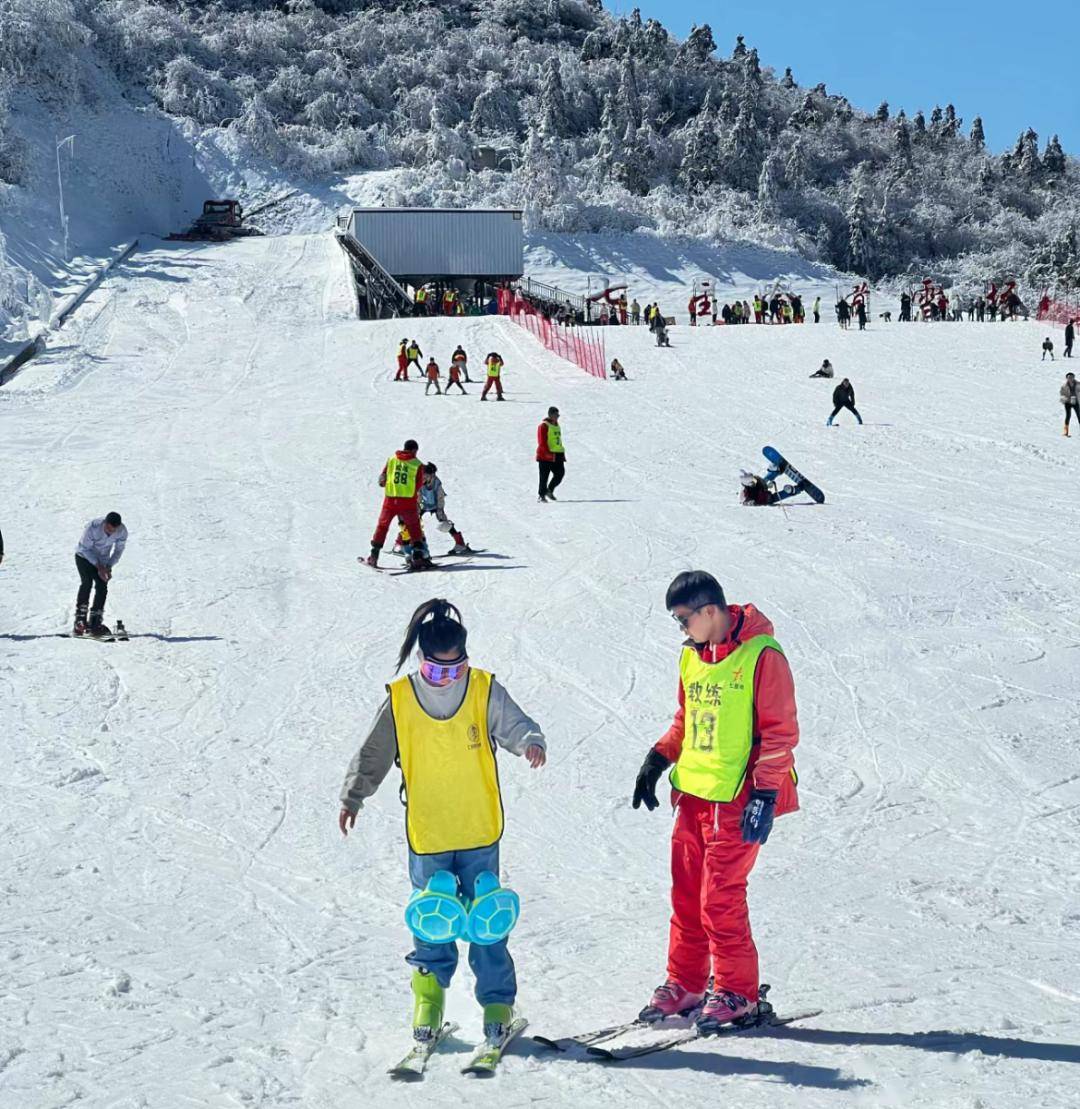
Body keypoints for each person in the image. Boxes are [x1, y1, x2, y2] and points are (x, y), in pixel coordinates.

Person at [338, 599, 546, 1049]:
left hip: (478, 831)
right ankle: (427, 1011)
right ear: (421, 662)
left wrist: (530, 741)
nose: (448, 680)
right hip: (430, 835)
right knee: (433, 922)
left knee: (487, 922)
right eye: (438, 673)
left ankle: (496, 1009)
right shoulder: (400, 699)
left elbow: (514, 724)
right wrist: (353, 795)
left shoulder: (483, 689)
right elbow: (373, 755)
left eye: (457, 670)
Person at [631, 571, 799, 1034]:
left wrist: (765, 793)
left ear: (709, 611)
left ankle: (736, 992)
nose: (681, 629)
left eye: (683, 619)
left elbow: (780, 733)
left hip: (740, 799)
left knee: (719, 899)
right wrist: (657, 759)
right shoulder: (692, 658)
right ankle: (685, 983)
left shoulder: (763, 656)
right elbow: (688, 720)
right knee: (686, 896)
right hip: (694, 795)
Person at [365, 440, 430, 570]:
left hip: (390, 500)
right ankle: (417, 558)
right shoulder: (417, 465)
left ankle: (373, 556)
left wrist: (385, 482)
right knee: (414, 527)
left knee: (382, 526)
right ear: (413, 450)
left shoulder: (392, 460)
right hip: (407, 501)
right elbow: (418, 485)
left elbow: (383, 478)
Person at [398, 463, 472, 555]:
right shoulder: (419, 483)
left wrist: (439, 509)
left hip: (436, 505)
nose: (423, 478)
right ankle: (400, 543)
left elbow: (440, 497)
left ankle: (460, 543)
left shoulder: (437, 483)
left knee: (445, 523)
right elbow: (418, 496)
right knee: (411, 522)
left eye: (425, 476)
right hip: (423, 505)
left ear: (432, 475)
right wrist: (417, 507)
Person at [74, 512, 128, 637]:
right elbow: (84, 548)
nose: (111, 532)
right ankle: (80, 621)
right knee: (86, 582)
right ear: (105, 523)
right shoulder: (93, 527)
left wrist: (108, 567)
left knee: (102, 587)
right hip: (84, 557)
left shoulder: (122, 531)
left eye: (114, 530)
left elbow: (119, 550)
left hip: (103, 561)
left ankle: (95, 622)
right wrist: (99, 567)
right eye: (108, 528)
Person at [536, 406, 566, 502]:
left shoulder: (556, 425)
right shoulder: (544, 426)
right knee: (544, 476)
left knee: (560, 474)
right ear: (551, 415)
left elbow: (558, 440)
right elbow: (542, 442)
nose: (558, 416)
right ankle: (541, 495)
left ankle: (549, 490)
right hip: (545, 456)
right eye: (556, 414)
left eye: (558, 414)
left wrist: (562, 453)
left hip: (557, 454)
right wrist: (547, 453)